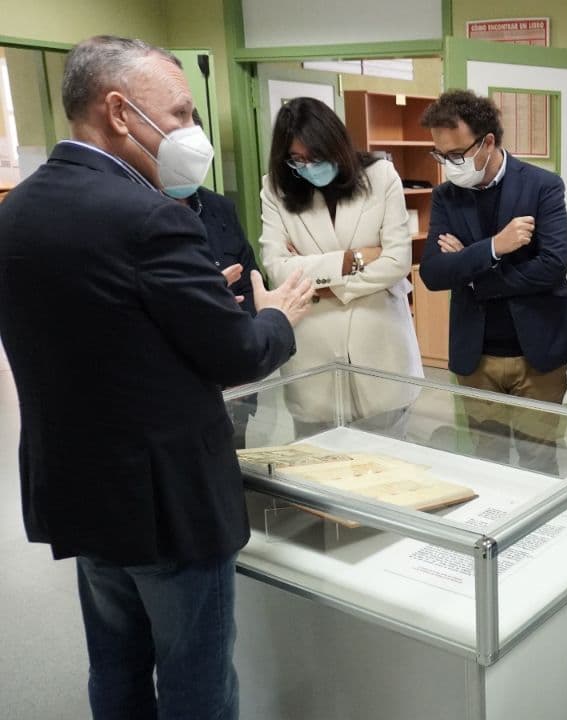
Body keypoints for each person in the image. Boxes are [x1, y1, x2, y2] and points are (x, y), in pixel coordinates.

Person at [0, 35, 311, 718]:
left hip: (80, 491)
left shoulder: (17, 211)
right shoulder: (150, 218)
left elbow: (98, 329)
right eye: (180, 114)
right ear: (119, 111)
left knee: (114, 667)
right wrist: (276, 316)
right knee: (197, 680)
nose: (192, 131)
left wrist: (190, 300)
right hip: (167, 506)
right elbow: (239, 355)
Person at [419, 90, 567, 474]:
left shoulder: (542, 185)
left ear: (488, 142)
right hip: (477, 356)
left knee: (539, 461)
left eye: (456, 155)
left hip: (539, 355)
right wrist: (495, 247)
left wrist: (472, 273)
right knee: (487, 463)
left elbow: (552, 265)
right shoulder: (446, 197)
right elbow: (433, 273)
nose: (449, 166)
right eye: (440, 156)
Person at [259, 97, 423, 435]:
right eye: (297, 159)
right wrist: (354, 259)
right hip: (313, 350)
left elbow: (397, 261)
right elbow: (277, 269)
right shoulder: (276, 188)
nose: (308, 166)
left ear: (336, 145)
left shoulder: (381, 176)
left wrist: (325, 284)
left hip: (380, 343)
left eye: (316, 156)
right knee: (319, 457)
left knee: (388, 457)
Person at [188, 107, 262, 448]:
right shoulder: (141, 214)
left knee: (237, 460)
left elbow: (251, 282)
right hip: (188, 385)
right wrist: (208, 295)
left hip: (237, 379)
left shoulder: (219, 208)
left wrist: (247, 360)